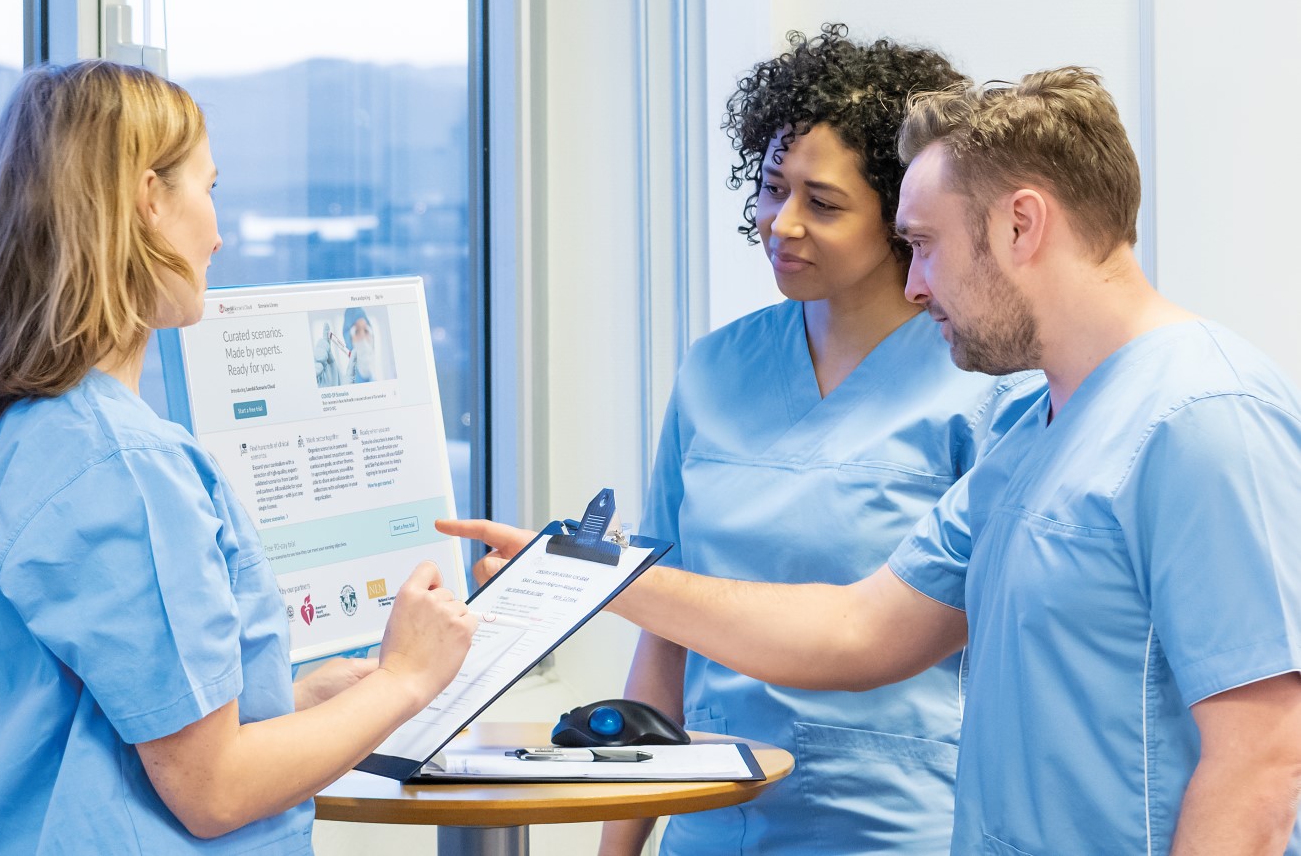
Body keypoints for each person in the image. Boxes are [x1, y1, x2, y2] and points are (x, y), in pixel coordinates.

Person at [442, 67, 1301, 854]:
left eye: (926, 243)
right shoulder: (1035, 438)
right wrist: (590, 575)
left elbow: (1265, 757)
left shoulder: (1204, 417)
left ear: (1021, 224)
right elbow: (856, 629)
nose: (916, 283)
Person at [0, 60, 477, 855]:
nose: (218, 233)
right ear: (149, 200)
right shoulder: (123, 465)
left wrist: (287, 699)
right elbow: (212, 789)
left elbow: (118, 724)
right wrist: (407, 678)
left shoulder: (9, 438)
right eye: (208, 189)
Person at [593, 24, 1042, 856]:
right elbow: (665, 633)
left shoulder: (984, 388)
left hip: (900, 828)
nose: (780, 224)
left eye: (823, 203)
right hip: (711, 826)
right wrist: (619, 848)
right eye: (772, 188)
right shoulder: (713, 372)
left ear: (901, 215)